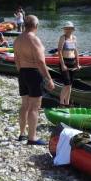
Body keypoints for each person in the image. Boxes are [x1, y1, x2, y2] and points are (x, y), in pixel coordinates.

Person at [13, 15, 55, 145]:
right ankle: (32, 137)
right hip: (34, 73)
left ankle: (22, 134)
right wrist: (49, 78)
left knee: (24, 105)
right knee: (34, 107)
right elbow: (41, 62)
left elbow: (16, 60)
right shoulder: (34, 40)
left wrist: (22, 72)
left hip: (23, 73)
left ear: (25, 25)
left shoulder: (18, 39)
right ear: (36, 26)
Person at [57, 21, 80, 106]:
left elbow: (76, 51)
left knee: (70, 85)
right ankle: (61, 103)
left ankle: (67, 103)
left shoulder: (74, 38)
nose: (67, 30)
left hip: (73, 62)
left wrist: (78, 63)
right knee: (66, 84)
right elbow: (59, 51)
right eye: (66, 29)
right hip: (65, 62)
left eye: (69, 29)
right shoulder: (63, 38)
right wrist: (62, 64)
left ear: (72, 29)